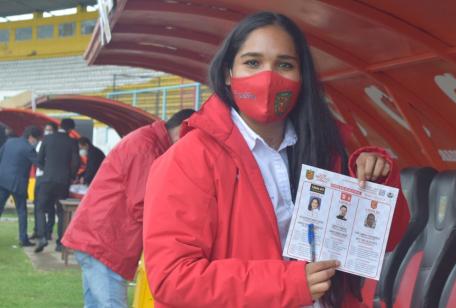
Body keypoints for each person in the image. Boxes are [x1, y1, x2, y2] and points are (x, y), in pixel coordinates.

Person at [143, 12, 410, 308]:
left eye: (285, 64)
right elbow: (172, 278)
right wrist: (290, 283)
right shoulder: (189, 159)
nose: (268, 77)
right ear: (228, 74)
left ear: (301, 77)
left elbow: (382, 241)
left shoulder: (328, 149)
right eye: (253, 62)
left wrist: (377, 185)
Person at [62, 109, 195, 307]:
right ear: (181, 131)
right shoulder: (146, 148)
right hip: (105, 242)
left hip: (98, 238)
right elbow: (144, 204)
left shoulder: (149, 142)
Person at [35, 118, 80, 253]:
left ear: (59, 126)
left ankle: (42, 237)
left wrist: (46, 170)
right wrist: (70, 176)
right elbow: (75, 163)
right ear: (71, 129)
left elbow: (39, 160)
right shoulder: (72, 142)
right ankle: (60, 243)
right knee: (62, 212)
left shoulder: (47, 139)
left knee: (41, 209)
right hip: (63, 182)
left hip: (47, 180)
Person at [0, 126, 42, 246]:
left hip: (2, 180)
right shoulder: (29, 148)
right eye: (37, 139)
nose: (37, 142)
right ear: (31, 137)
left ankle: (23, 238)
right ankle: (23, 239)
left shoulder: (10, 141)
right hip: (18, 184)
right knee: (21, 212)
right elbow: (39, 164)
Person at [30, 122, 58, 241]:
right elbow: (37, 160)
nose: (48, 132)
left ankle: (48, 231)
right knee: (38, 205)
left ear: (55, 131)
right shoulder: (41, 143)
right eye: (46, 130)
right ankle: (38, 230)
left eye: (50, 130)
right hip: (40, 178)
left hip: (50, 178)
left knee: (50, 206)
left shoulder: (57, 145)